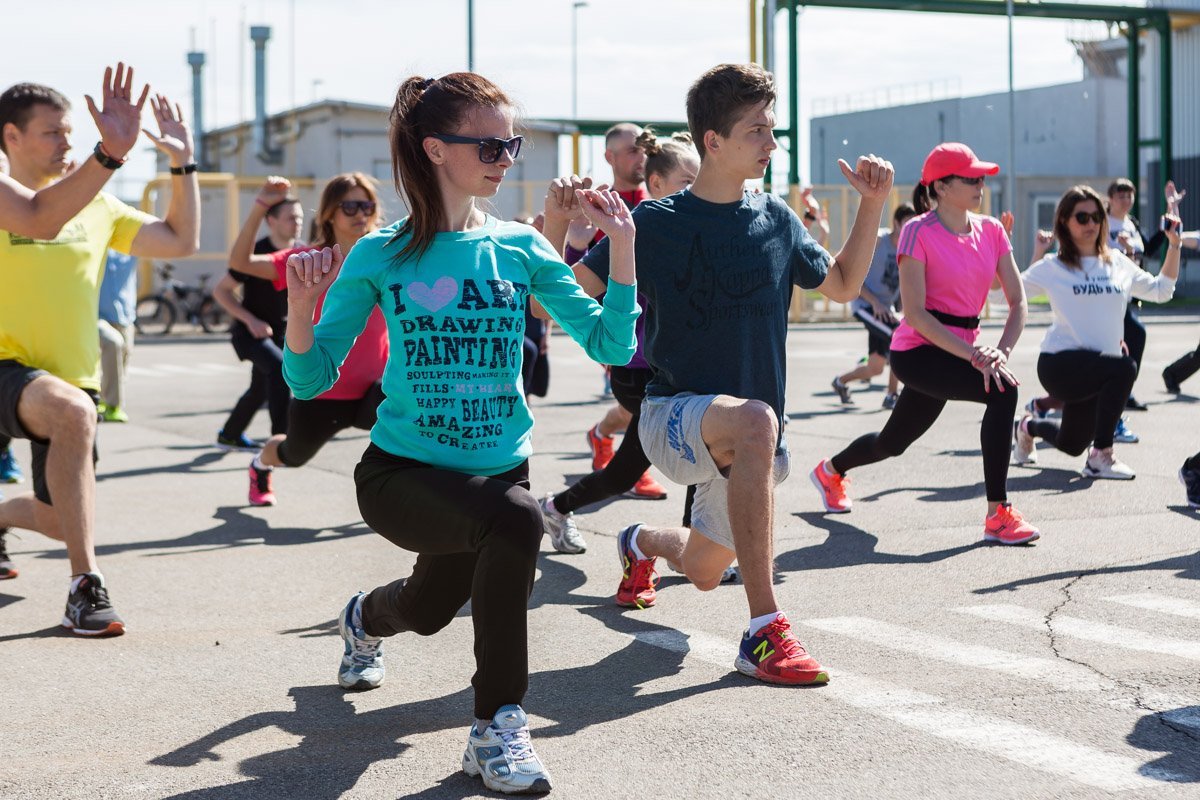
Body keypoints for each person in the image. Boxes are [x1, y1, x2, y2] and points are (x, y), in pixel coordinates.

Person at [283, 73, 639, 794]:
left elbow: (611, 346)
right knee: (516, 522)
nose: (506, 158)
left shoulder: (519, 247)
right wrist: (300, 304)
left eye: (512, 143)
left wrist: (623, 249)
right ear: (437, 148)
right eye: (491, 144)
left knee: (429, 608)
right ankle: (496, 727)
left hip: (497, 470)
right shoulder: (380, 253)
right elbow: (309, 379)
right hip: (401, 475)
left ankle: (363, 618)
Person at [578, 63, 892, 686]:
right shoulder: (655, 224)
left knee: (701, 567)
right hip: (671, 416)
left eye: (772, 130)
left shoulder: (774, 218)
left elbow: (843, 284)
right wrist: (562, 229)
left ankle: (640, 543)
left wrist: (872, 205)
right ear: (713, 142)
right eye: (757, 131)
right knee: (754, 422)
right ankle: (763, 630)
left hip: (749, 440)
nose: (772, 144)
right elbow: (562, 296)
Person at [0, 74, 199, 633]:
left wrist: (183, 166)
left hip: (68, 378)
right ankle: (84, 588)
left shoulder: (99, 205)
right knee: (73, 411)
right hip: (6, 366)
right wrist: (109, 153)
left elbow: (180, 242)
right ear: (11, 137)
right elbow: (39, 216)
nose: (67, 142)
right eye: (53, 133)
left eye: (71, 132)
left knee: (63, 520)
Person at [811, 142, 1039, 546]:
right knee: (1003, 390)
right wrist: (975, 357)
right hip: (917, 352)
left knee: (891, 443)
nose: (980, 183)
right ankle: (998, 514)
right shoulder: (917, 232)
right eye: (970, 177)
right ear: (942, 186)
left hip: (962, 349)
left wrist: (999, 352)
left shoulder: (992, 231)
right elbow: (915, 314)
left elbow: (1019, 302)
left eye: (981, 176)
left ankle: (830, 471)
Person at [541, 128, 699, 553]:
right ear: (657, 182)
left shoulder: (692, 227)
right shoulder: (636, 227)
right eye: (688, 182)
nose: (696, 191)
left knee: (638, 469)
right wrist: (572, 240)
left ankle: (556, 507)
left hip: (671, 368)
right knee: (696, 456)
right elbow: (569, 291)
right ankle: (695, 546)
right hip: (638, 371)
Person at [227, 173, 388, 507]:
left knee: (420, 425)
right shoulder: (308, 261)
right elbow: (240, 263)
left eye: (367, 205)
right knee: (292, 454)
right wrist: (261, 206)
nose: (361, 213)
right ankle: (259, 465)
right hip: (322, 391)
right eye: (351, 205)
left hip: (378, 389)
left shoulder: (386, 258)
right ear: (329, 212)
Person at [1012, 186, 1180, 479]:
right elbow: (1004, 296)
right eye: (1082, 217)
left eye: (1096, 217)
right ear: (1065, 221)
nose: (1091, 223)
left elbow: (1161, 290)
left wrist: (1174, 245)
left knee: (1072, 443)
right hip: (1059, 364)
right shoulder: (1054, 266)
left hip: (1098, 369)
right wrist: (1009, 253)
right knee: (1125, 367)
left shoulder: (1116, 262)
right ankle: (1102, 456)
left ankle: (1026, 427)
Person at [570, 122, 653, 469]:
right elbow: (573, 280)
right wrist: (576, 242)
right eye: (633, 150)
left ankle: (601, 435)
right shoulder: (598, 208)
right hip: (618, 329)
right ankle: (632, 471)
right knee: (642, 406)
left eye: (644, 149)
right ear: (610, 156)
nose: (642, 157)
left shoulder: (657, 204)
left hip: (660, 327)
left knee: (633, 407)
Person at [213, 189, 304, 451]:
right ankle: (282, 441)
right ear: (271, 221)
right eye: (290, 218)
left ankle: (229, 435)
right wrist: (249, 319)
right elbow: (221, 290)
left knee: (261, 389)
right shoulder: (255, 255)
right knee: (278, 369)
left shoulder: (302, 252)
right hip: (250, 334)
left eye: (299, 217)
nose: (297, 222)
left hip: (279, 335)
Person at [1105, 178, 1199, 412]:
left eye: (1130, 196)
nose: (1126, 200)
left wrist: (1171, 210)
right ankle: (1112, 393)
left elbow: (1151, 247)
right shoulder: (1102, 224)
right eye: (1121, 196)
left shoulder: (1131, 223)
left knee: (1130, 339)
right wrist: (1124, 250)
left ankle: (1120, 392)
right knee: (1132, 335)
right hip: (1107, 291)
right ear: (1110, 199)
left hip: (1129, 291)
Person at [831, 203, 914, 409]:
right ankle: (892, 395)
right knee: (899, 336)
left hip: (885, 309)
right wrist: (875, 302)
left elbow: (903, 284)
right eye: (907, 223)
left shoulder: (909, 248)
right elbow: (851, 269)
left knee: (875, 367)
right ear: (896, 223)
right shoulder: (879, 240)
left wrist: (903, 309)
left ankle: (840, 382)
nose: (911, 227)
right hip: (865, 304)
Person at [96, 249, 138, 422]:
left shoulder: (132, 248)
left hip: (124, 315)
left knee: (121, 362)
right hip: (96, 314)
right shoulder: (96, 242)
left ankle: (105, 401)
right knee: (113, 343)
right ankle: (112, 405)